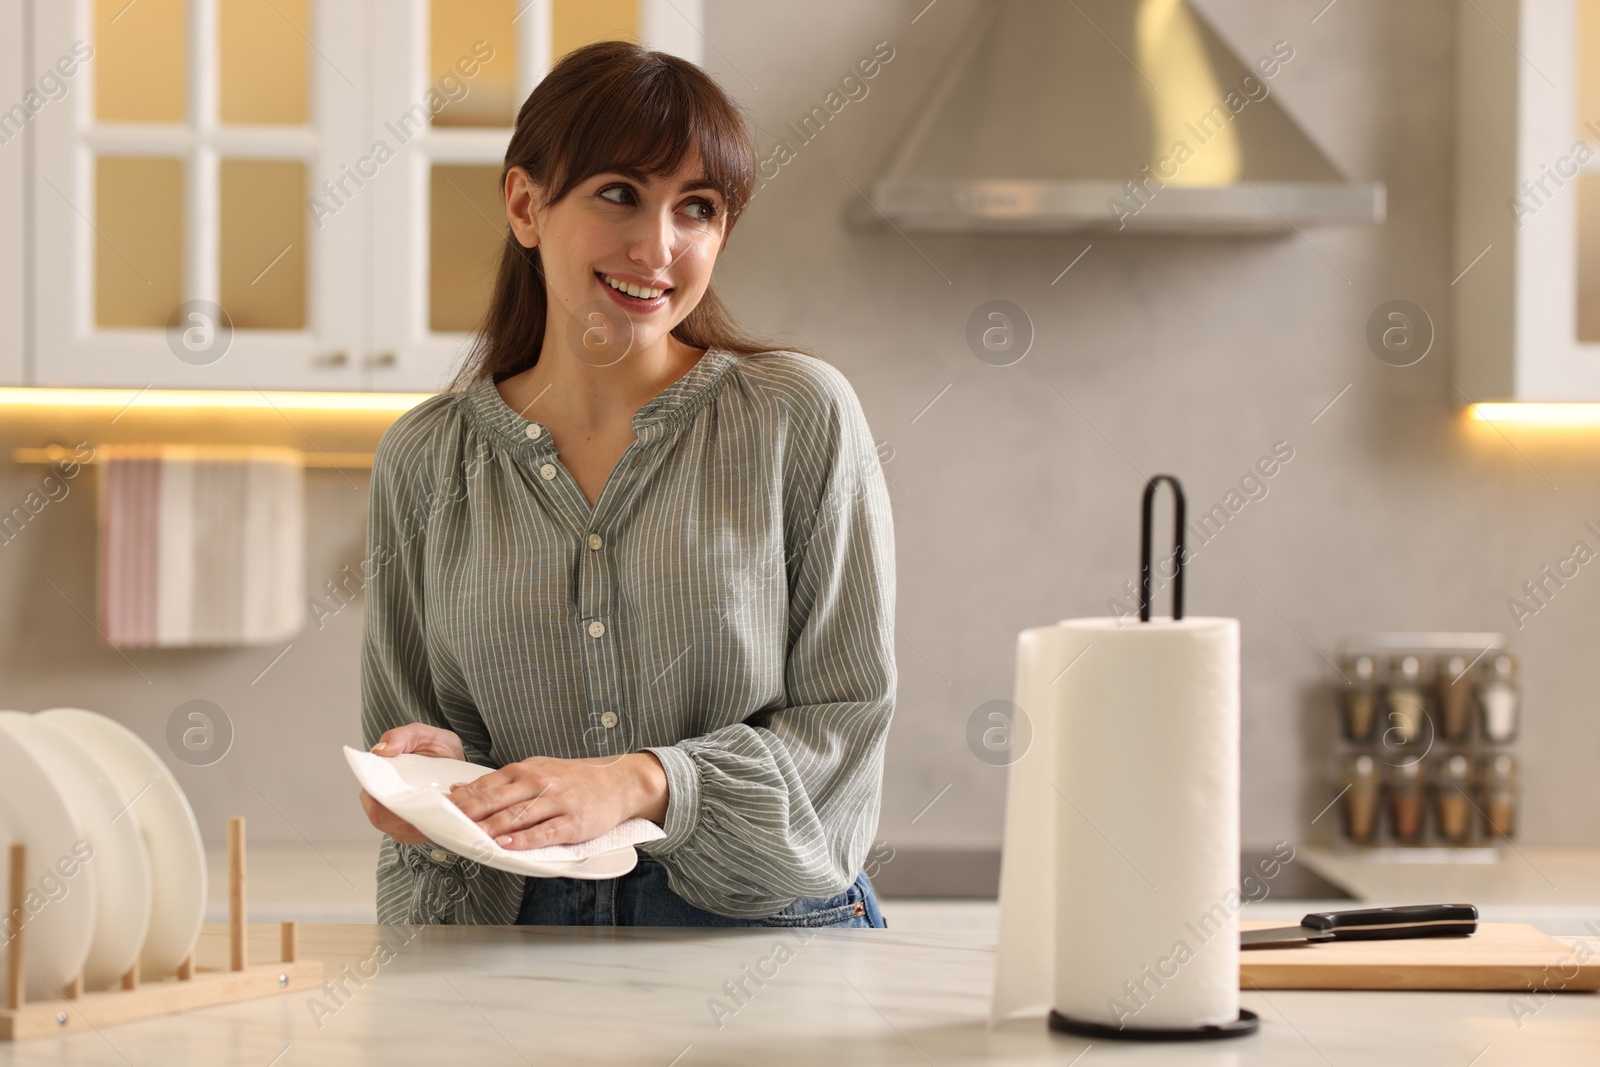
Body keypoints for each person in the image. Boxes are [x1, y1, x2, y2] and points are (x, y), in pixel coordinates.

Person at [356, 40, 896, 928]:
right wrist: (430, 769)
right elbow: (432, 741)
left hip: (752, 929)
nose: (659, 246)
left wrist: (639, 780)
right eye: (620, 194)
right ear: (525, 204)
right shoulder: (425, 459)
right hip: (512, 932)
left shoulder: (797, 417)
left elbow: (842, 731)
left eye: (699, 209)